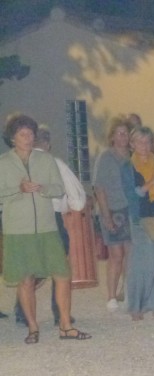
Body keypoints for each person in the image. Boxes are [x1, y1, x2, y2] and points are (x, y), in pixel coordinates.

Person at [0, 114, 90, 342]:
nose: (29, 138)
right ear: (13, 138)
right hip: (18, 230)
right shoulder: (3, 163)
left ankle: (65, 325)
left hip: (47, 227)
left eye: (31, 133)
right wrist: (18, 189)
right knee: (25, 279)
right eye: (23, 134)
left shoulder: (46, 160)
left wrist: (43, 188)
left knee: (62, 273)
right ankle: (33, 327)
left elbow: (58, 189)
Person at [15, 125, 86, 325]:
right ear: (47, 143)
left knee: (29, 268)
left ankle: (23, 312)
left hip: (24, 220)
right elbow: (77, 197)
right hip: (51, 218)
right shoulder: (55, 163)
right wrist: (70, 206)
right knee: (59, 267)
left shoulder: (16, 163)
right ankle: (60, 314)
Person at [121, 127, 154, 320]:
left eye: (147, 142)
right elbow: (133, 194)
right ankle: (137, 306)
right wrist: (152, 180)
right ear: (132, 144)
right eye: (139, 142)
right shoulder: (127, 167)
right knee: (143, 264)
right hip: (140, 219)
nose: (144, 146)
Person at [93, 115, 132, 311]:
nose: (123, 136)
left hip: (131, 211)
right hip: (113, 211)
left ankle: (128, 292)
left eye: (126, 133)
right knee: (116, 255)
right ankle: (111, 296)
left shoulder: (134, 156)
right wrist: (106, 216)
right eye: (120, 133)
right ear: (112, 137)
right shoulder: (106, 157)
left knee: (131, 254)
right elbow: (99, 188)